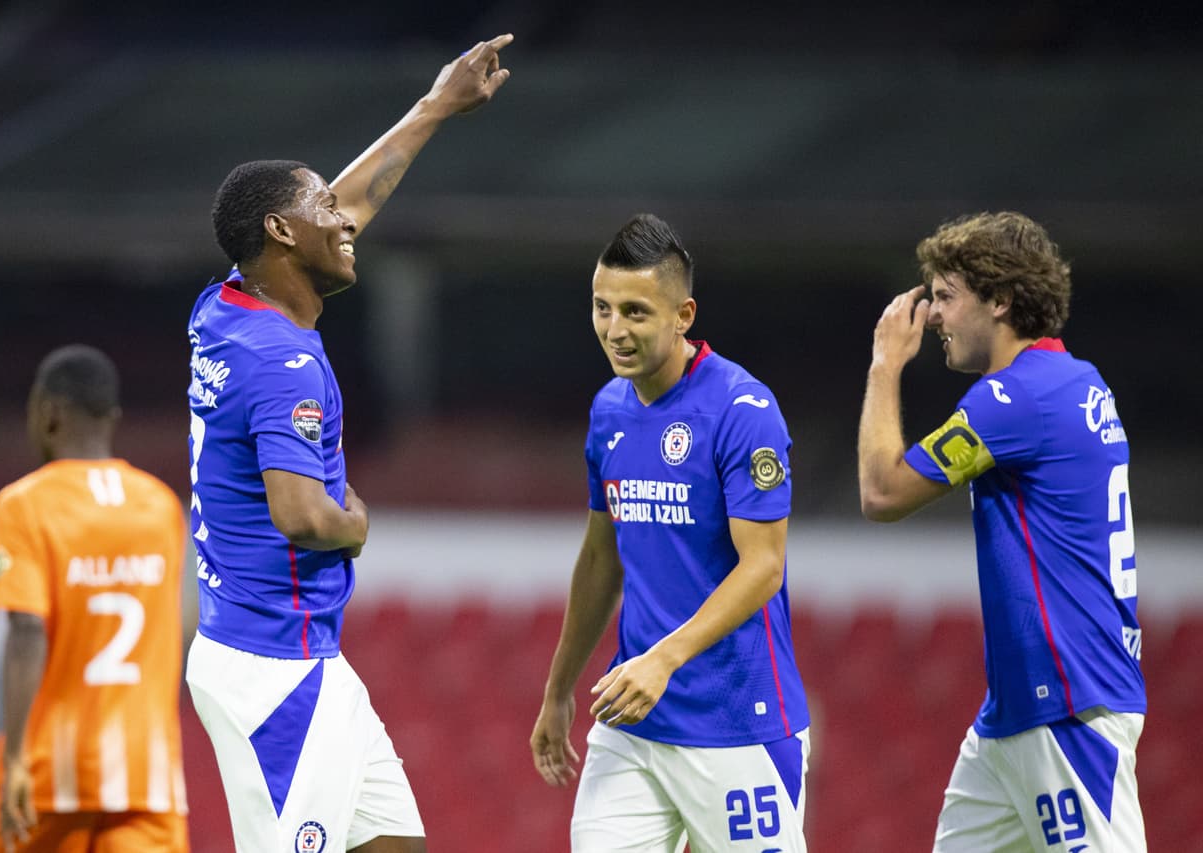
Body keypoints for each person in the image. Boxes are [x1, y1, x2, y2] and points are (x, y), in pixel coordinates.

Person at [183, 36, 512, 853]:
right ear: (280, 231)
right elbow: (301, 514)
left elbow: (348, 207)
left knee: (393, 842)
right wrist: (354, 525)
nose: (344, 218)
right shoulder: (281, 360)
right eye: (322, 207)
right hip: (276, 666)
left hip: (287, 652)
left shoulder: (225, 306)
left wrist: (436, 106)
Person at [857, 211, 1146, 851]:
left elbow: (882, 493)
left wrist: (884, 365)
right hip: (1018, 712)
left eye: (946, 297)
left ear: (1000, 301)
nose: (933, 316)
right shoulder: (1079, 381)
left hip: (1066, 704)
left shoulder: (1015, 399)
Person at [529, 214, 811, 852]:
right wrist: (558, 690)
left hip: (737, 723)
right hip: (633, 723)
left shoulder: (742, 410)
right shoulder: (609, 410)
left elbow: (764, 566)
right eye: (602, 308)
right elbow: (601, 559)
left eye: (635, 311)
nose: (614, 330)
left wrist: (664, 658)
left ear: (683, 315)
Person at [0, 345, 189, 853]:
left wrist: (15, 759)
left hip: (49, 772)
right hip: (147, 774)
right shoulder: (160, 506)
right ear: (112, 418)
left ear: (47, 412)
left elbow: (27, 631)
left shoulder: (24, 504)